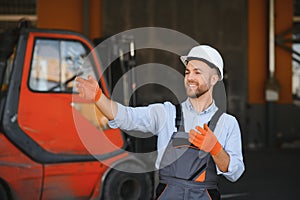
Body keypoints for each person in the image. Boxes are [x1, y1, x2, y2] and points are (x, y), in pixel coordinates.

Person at [75, 45, 245, 200]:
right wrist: (99, 97)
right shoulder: (166, 113)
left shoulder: (227, 123)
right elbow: (126, 117)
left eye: (197, 72)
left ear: (214, 78)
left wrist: (216, 149)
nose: (190, 77)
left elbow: (235, 172)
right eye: (187, 72)